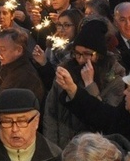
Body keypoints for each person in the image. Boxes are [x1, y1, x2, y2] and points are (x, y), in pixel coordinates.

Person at [43, 19, 125, 148]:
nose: (81, 60)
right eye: (77, 53)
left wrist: (90, 85)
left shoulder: (115, 80)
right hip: (62, 147)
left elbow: (104, 119)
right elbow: (51, 112)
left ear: (99, 55)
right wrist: (52, 148)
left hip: (93, 150)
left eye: (87, 54)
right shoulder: (66, 72)